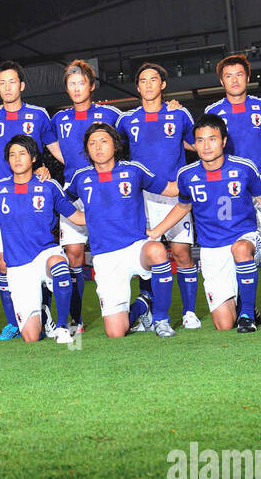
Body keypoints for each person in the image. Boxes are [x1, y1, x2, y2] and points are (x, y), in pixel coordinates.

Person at [149, 115, 261, 333]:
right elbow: (183, 207)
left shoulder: (244, 167)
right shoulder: (186, 175)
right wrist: (155, 231)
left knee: (240, 248)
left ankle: (247, 314)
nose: (206, 145)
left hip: (245, 240)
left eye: (212, 139)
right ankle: (243, 304)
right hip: (212, 249)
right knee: (223, 325)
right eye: (200, 140)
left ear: (223, 141)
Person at [64, 122, 178, 338]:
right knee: (116, 332)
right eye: (92, 143)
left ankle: (161, 319)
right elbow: (60, 200)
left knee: (157, 251)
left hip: (136, 247)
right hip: (105, 256)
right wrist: (79, 217)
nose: (98, 147)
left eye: (103, 141)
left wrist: (203, 173)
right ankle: (143, 305)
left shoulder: (134, 170)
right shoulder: (81, 178)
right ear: (87, 149)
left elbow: (172, 190)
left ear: (115, 145)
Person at [204, 54, 261, 322]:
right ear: (221, 80)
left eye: (239, 74)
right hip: (227, 187)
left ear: (247, 77)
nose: (234, 80)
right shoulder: (213, 111)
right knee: (236, 244)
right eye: (228, 76)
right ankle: (246, 306)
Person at [0, 60, 63, 340]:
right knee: (4, 263)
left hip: (32, 200)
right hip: (3, 201)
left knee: (41, 257)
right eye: (1, 83)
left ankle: (46, 313)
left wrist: (65, 167)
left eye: (11, 82)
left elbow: (53, 148)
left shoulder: (38, 114)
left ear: (22, 85)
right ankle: (16, 321)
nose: (6, 87)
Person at [0, 136, 79, 343]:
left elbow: (77, 217)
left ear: (34, 158)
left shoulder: (49, 186)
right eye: (12, 154)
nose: (17, 158)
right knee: (31, 337)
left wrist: (107, 213)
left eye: (22, 153)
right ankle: (44, 314)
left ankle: (63, 326)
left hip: (45, 254)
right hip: (18, 265)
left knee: (59, 266)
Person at [118, 62, 201, 329]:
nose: (149, 84)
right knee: (148, 255)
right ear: (138, 86)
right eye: (143, 80)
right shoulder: (126, 119)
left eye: (154, 80)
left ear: (163, 85)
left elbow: (195, 143)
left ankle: (189, 312)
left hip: (175, 193)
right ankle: (149, 312)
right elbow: (110, 149)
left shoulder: (179, 114)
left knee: (181, 252)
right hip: (142, 197)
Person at [50, 60, 120, 333]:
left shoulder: (111, 114)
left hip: (107, 188)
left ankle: (140, 307)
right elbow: (55, 147)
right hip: (74, 189)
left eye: (82, 83)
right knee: (74, 254)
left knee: (120, 248)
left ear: (92, 86)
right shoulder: (59, 119)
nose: (77, 88)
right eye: (72, 84)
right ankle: (76, 320)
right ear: (67, 88)